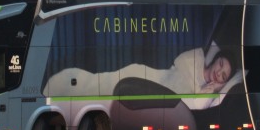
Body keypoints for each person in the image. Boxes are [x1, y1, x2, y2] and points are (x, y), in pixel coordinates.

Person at [44, 45, 242, 110]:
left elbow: (194, 105)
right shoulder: (193, 60)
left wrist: (211, 89)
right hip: (148, 76)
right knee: (103, 82)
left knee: (108, 96)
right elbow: (177, 79)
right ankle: (66, 88)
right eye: (221, 64)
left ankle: (65, 98)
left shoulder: (206, 91)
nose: (219, 72)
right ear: (216, 59)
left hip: (148, 88)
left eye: (224, 76)